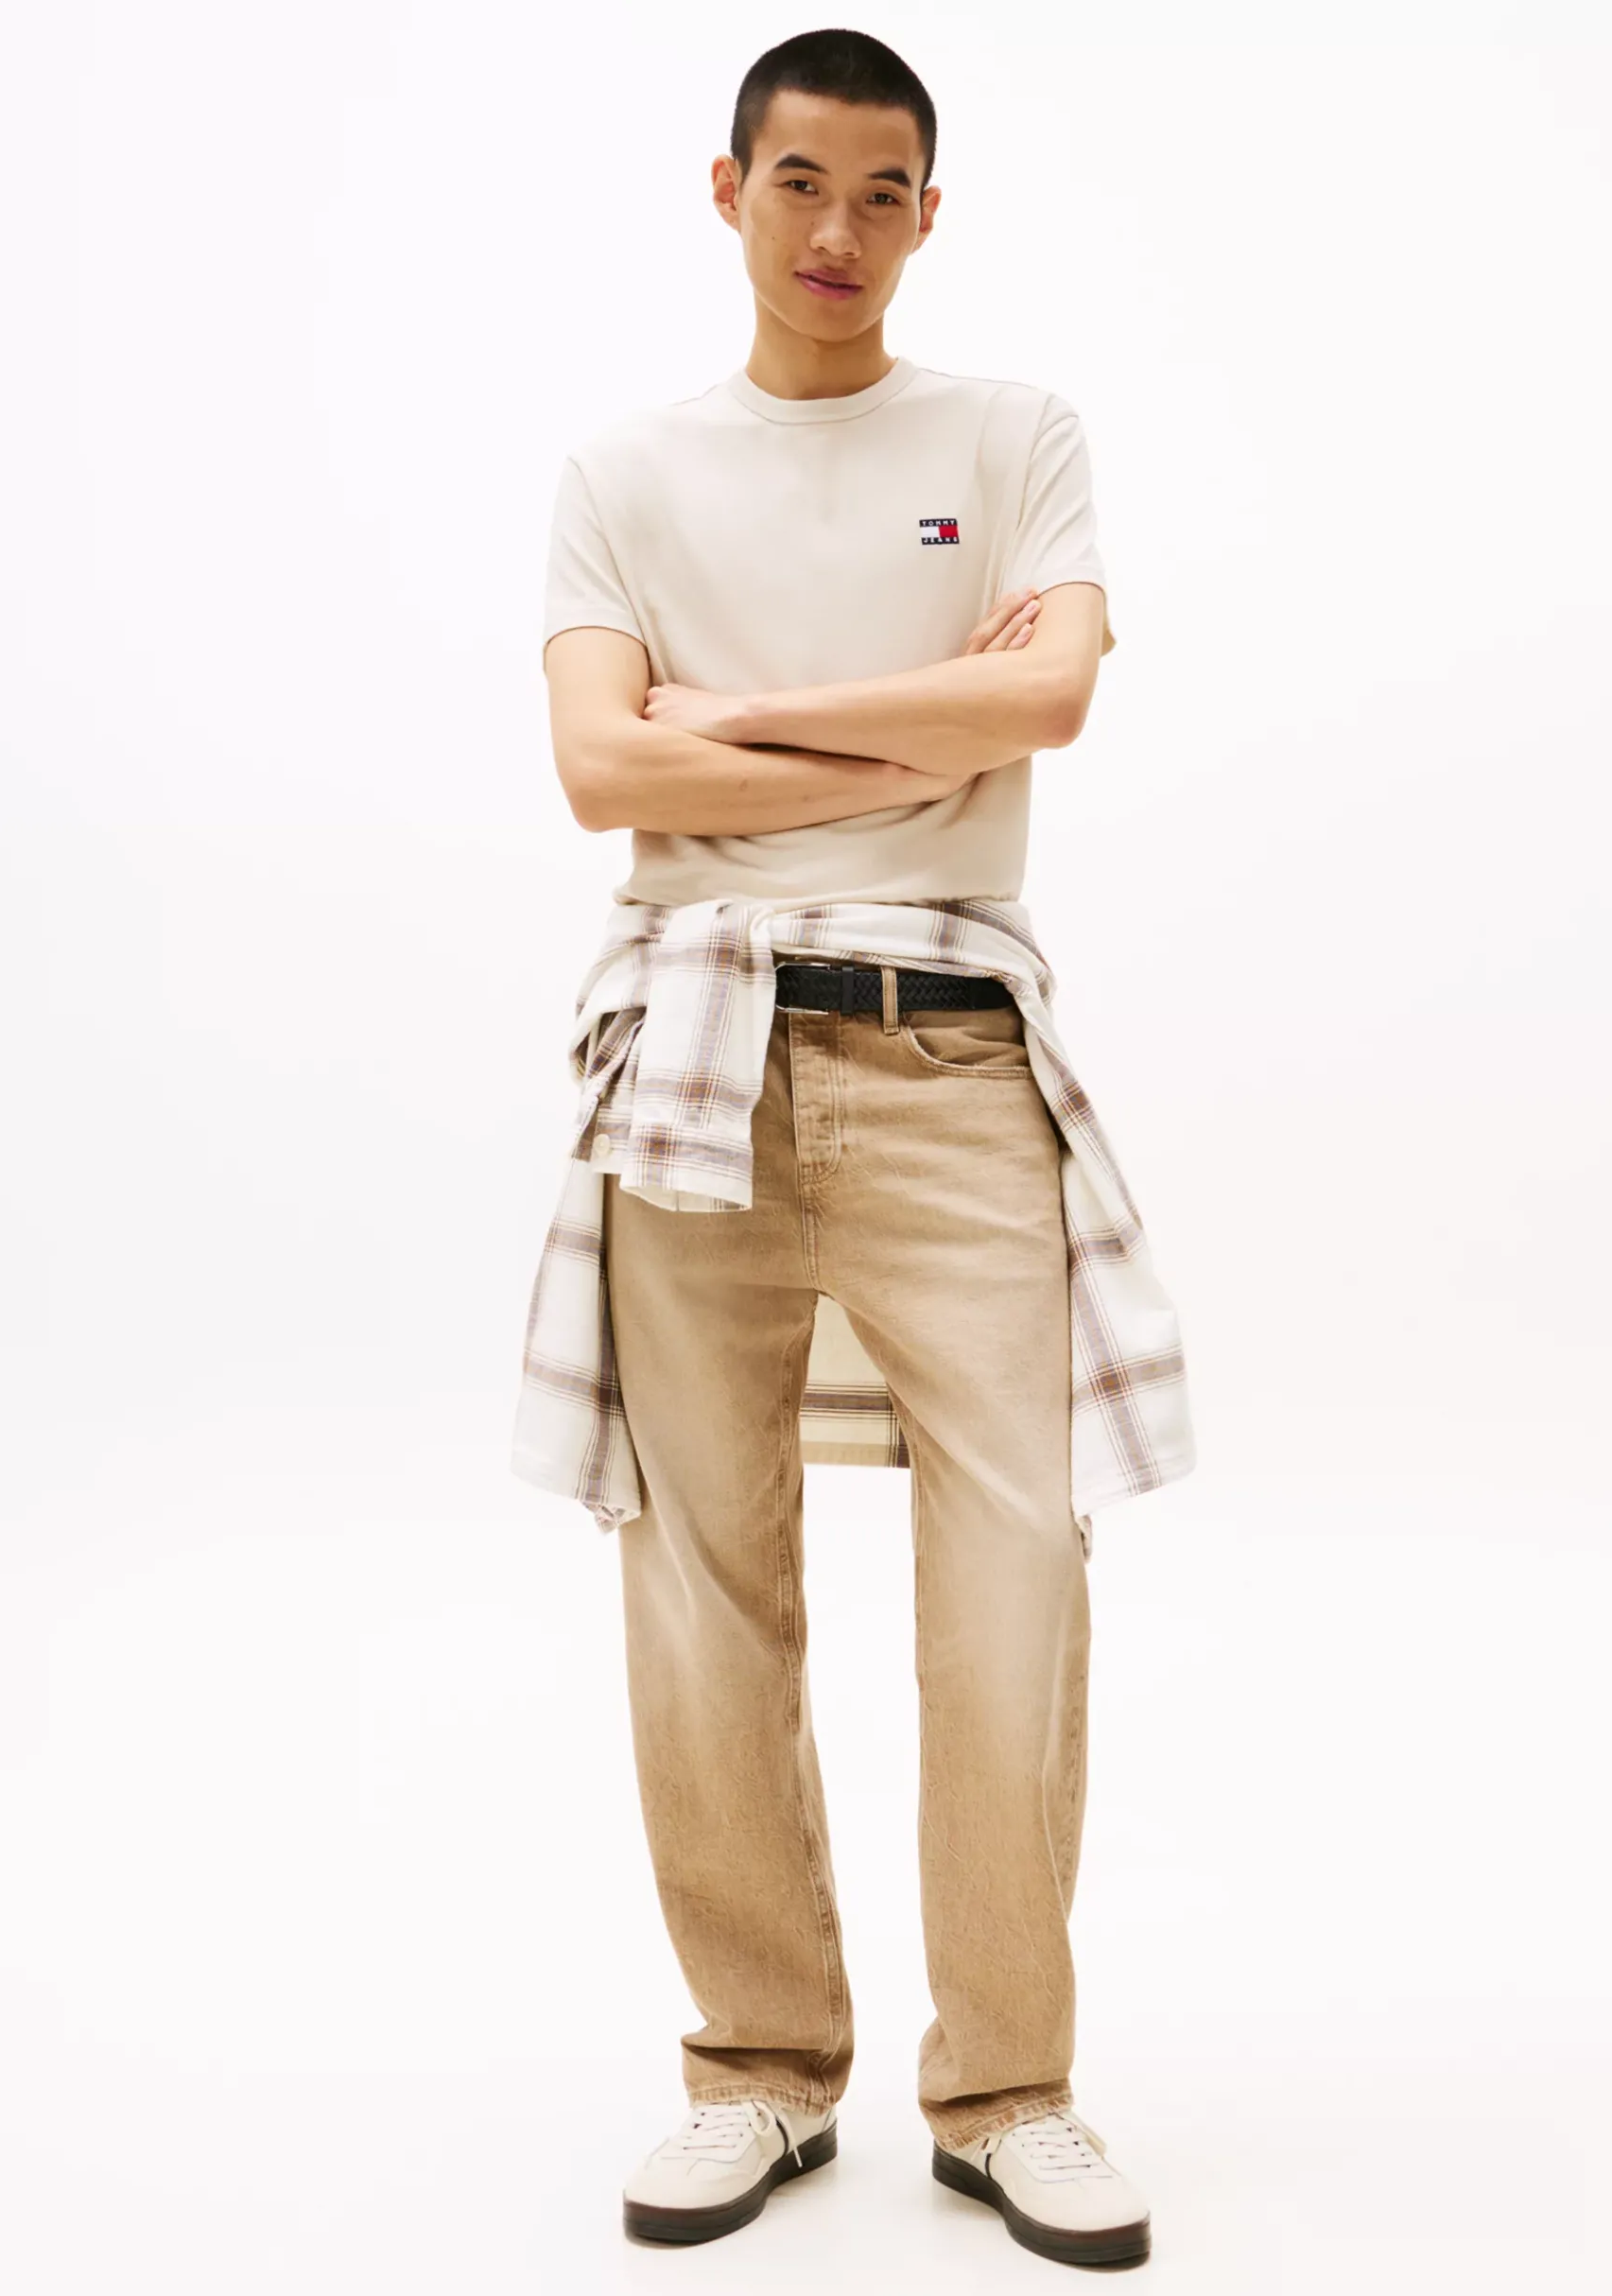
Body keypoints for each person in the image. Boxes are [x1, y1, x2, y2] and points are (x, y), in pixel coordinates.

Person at [521, 29, 1194, 2271]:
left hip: (949, 1053)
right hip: (690, 1054)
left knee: (1013, 1578)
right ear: (726, 190)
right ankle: (758, 2067)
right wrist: (903, 731)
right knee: (703, 1586)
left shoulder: (1011, 437)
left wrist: (729, 716)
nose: (837, 230)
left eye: (880, 191)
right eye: (798, 182)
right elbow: (603, 778)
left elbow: (1048, 701)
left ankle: (1008, 2088)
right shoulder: (624, 469)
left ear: (927, 213)